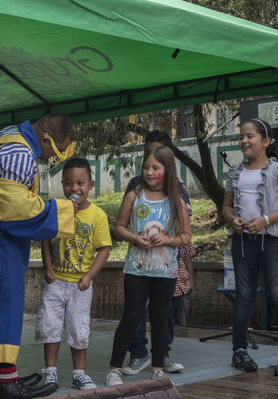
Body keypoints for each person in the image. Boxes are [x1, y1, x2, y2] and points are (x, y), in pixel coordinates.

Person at [0, 112, 77, 399]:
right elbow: (16, 209)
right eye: (58, 149)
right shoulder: (19, 153)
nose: (55, 156)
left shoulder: (9, 135)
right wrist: (61, 211)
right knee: (4, 303)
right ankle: (4, 382)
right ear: (46, 139)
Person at [106, 146, 191, 386]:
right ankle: (114, 368)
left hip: (166, 272)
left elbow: (186, 236)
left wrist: (168, 239)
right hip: (137, 270)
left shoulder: (177, 201)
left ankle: (157, 368)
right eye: (146, 167)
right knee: (131, 316)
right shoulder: (134, 195)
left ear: (168, 169)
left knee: (161, 317)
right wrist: (134, 238)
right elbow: (119, 227)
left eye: (155, 167)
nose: (150, 172)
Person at [222, 118, 278, 376]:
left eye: (250, 136)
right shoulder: (236, 172)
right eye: (241, 136)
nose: (244, 140)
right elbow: (226, 206)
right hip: (243, 242)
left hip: (274, 241)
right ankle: (239, 351)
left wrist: (265, 220)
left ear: (265, 141)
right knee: (243, 297)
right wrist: (233, 219)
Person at [35, 158, 112, 391]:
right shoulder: (56, 209)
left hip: (81, 284)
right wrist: (48, 267)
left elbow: (104, 248)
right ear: (62, 184)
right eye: (68, 183)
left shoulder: (97, 215)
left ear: (90, 184)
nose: (74, 189)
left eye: (80, 183)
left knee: (79, 329)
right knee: (49, 326)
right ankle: (50, 372)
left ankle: (79, 373)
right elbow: (46, 240)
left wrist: (89, 276)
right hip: (55, 282)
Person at [172, 244, 195, 326]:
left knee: (180, 323)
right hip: (162, 284)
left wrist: (191, 281)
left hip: (180, 285)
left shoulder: (183, 236)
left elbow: (188, 259)